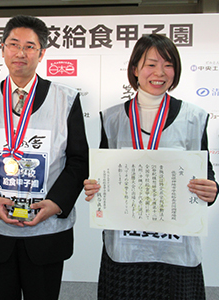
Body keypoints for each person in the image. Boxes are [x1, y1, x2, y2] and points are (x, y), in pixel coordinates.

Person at [84, 34, 219, 299]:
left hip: (175, 250)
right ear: (135, 69)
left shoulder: (193, 117)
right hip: (126, 248)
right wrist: (94, 188)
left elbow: (207, 176)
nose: (160, 72)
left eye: (168, 65)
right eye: (151, 64)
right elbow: (103, 177)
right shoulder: (111, 119)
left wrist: (212, 190)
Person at [0, 15, 89, 300]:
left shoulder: (66, 98)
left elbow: (78, 160)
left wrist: (56, 204)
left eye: (30, 46)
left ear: (42, 53)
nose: (20, 53)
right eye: (13, 44)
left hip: (46, 230)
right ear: (2, 49)